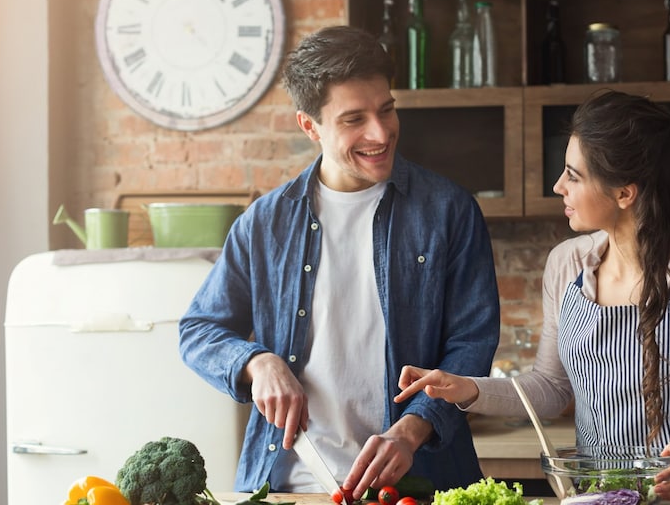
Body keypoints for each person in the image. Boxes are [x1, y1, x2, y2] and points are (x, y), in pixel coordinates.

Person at [397, 90, 670, 501]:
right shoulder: (566, 265)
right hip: (597, 496)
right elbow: (550, 387)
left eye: (573, 176)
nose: (559, 186)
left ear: (624, 193)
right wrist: (465, 388)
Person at [179, 25, 501, 496]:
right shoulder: (264, 223)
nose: (380, 133)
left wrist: (411, 429)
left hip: (420, 482)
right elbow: (199, 330)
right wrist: (257, 362)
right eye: (354, 119)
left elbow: (472, 342)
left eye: (386, 109)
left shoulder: (449, 211)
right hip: (291, 484)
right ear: (309, 126)